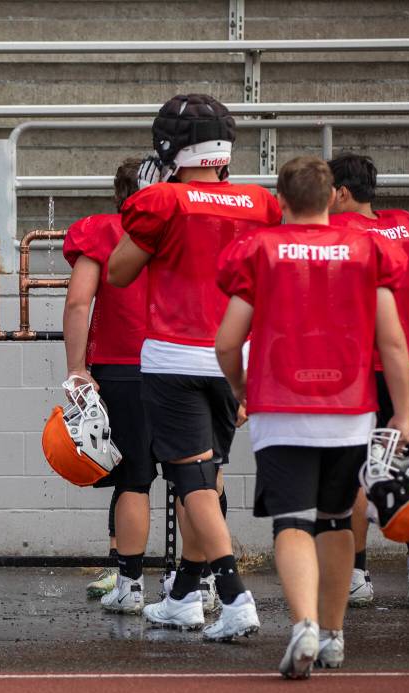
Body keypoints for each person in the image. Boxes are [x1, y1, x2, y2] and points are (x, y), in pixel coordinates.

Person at [216, 155, 409, 677]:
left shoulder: (259, 250)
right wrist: (404, 413)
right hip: (350, 408)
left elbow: (228, 341)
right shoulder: (370, 248)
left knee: (293, 523)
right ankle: (333, 634)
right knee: (336, 520)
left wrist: (240, 388)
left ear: (281, 201)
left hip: (281, 406)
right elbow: (393, 341)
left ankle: (301, 624)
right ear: (331, 198)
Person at [108, 93, 281, 640]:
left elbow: (118, 272)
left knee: (193, 480)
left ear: (169, 147)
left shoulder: (161, 202)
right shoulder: (260, 203)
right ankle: (184, 593)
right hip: (238, 351)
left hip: (176, 353)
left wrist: (152, 198)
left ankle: (233, 596)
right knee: (206, 473)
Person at [328, 153, 409, 607]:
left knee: (357, 469)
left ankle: (356, 572)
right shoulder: (408, 226)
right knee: (405, 458)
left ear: (341, 192)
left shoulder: (338, 232)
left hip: (360, 365)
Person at [62, 157, 158, 613]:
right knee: (199, 480)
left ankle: (130, 582)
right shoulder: (190, 225)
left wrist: (77, 367)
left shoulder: (101, 230)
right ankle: (202, 583)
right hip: (190, 360)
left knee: (134, 480)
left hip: (123, 365)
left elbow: (79, 302)